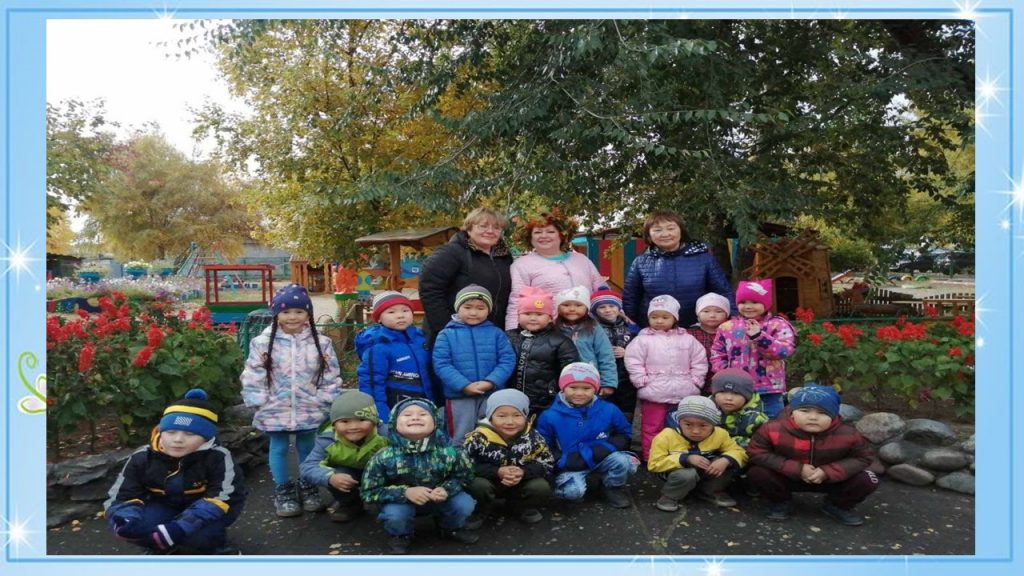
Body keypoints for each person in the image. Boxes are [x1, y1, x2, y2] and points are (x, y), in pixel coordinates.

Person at [241, 283, 342, 517]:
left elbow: (330, 374)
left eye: (299, 311)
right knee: (278, 447)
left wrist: (325, 398)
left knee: (307, 446)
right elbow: (253, 373)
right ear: (276, 313)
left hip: (309, 405)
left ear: (308, 314)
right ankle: (283, 489)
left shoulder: (321, 343)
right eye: (286, 311)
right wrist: (258, 399)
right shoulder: (262, 343)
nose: (293, 317)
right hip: (274, 406)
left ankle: (308, 484)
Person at [104, 389, 246, 555]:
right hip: (163, 504)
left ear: (206, 438)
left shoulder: (218, 457)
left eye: (190, 433)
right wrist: (124, 519)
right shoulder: (142, 457)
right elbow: (122, 495)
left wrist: (179, 527)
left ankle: (218, 549)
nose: (178, 439)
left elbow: (221, 498)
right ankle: (160, 546)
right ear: (160, 431)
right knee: (138, 526)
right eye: (171, 432)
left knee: (201, 536)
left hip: (207, 508)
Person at [746, 384, 879, 526]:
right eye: (804, 411)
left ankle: (837, 505)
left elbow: (864, 457)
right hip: (788, 476)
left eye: (822, 412)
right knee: (757, 472)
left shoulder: (848, 434)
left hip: (830, 479)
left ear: (833, 415)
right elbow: (756, 452)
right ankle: (781, 502)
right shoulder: (772, 429)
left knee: (869, 479)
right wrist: (797, 469)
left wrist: (828, 472)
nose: (813, 417)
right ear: (792, 411)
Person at [361, 398, 479, 555]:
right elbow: (369, 492)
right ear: (394, 423)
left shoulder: (451, 452)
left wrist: (446, 489)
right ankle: (401, 535)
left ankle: (450, 528)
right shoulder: (383, 457)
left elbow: (465, 477)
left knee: (464, 504)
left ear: (435, 422)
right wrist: (405, 493)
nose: (415, 418)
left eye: (423, 414)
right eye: (407, 415)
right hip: (401, 502)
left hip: (440, 499)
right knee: (395, 514)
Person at [536, 363, 638, 509]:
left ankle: (611, 487)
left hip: (600, 456)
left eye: (586, 388)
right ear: (563, 388)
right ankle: (562, 484)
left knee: (624, 462)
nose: (579, 393)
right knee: (573, 492)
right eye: (573, 387)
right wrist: (561, 461)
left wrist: (603, 448)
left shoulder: (609, 409)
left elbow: (625, 433)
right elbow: (543, 445)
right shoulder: (549, 415)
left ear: (595, 389)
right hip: (571, 463)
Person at [624, 294, 708, 461]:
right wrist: (641, 380)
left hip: (684, 391)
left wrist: (696, 380)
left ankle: (678, 457)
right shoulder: (642, 340)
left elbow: (699, 360)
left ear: (675, 318)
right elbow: (633, 361)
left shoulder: (688, 339)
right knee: (652, 426)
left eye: (665, 317)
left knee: (679, 426)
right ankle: (652, 457)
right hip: (653, 391)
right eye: (654, 317)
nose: (659, 321)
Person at [419, 207, 514, 351]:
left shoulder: (504, 257)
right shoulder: (450, 253)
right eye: (483, 226)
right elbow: (430, 291)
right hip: (455, 334)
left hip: (490, 334)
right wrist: (448, 328)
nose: (490, 231)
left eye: (496, 227)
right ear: (469, 228)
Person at [623, 210, 735, 330]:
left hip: (697, 328)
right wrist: (631, 326)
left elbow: (723, 292)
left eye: (670, 228)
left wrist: (734, 319)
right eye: (658, 230)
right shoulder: (641, 262)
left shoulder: (704, 259)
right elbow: (630, 298)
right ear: (649, 235)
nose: (665, 234)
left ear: (681, 231)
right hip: (655, 330)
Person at [432, 284, 516, 442]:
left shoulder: (496, 333)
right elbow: (442, 364)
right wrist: (463, 385)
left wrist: (490, 382)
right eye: (467, 307)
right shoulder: (446, 334)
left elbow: (507, 360)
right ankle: (459, 457)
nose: (473, 312)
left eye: (480, 308)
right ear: (458, 307)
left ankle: (488, 458)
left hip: (491, 395)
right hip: (458, 396)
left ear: (488, 310)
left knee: (491, 434)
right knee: (460, 435)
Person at [462, 389, 554, 525]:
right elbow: (464, 466)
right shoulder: (477, 437)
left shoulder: (534, 437)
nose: (510, 422)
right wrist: (497, 472)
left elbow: (547, 463)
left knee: (541, 487)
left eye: (517, 415)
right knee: (476, 484)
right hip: (490, 482)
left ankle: (520, 506)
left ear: (526, 416)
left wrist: (523, 472)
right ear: (490, 416)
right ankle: (482, 508)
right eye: (501, 416)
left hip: (521, 482)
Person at [504, 209, 606, 329]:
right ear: (530, 237)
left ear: (562, 235)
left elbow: (602, 290)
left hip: (588, 329)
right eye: (537, 232)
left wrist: (618, 313)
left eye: (550, 231)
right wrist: (512, 333)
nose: (544, 236)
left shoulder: (582, 259)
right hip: (549, 331)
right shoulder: (522, 265)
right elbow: (517, 301)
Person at [710, 279, 797, 419]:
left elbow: (784, 351)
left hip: (768, 388)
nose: (748, 306)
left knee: (772, 422)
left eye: (755, 302)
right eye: (743, 302)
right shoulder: (727, 327)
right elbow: (717, 353)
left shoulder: (777, 325)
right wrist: (724, 373)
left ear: (766, 303)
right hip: (736, 388)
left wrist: (760, 337)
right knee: (737, 421)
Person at [299, 391, 388, 523]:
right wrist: (330, 478)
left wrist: (391, 454)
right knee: (336, 474)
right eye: (345, 421)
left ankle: (389, 503)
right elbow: (308, 467)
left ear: (374, 421)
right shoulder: (327, 439)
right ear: (334, 424)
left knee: (396, 470)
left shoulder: (386, 434)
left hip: (381, 472)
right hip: (349, 473)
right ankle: (350, 504)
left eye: (362, 420)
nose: (353, 427)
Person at [648, 395, 747, 511]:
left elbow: (740, 452)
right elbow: (654, 464)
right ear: (679, 421)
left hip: (706, 470)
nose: (695, 431)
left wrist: (726, 460)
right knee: (686, 474)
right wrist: (685, 459)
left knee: (727, 464)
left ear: (713, 424)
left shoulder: (720, 434)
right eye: (688, 425)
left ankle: (709, 491)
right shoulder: (666, 436)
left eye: (703, 425)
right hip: (676, 473)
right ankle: (670, 496)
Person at [356, 290, 435, 427]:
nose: (400, 315)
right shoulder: (379, 346)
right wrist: (383, 417)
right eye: (391, 312)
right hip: (394, 406)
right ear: (379, 318)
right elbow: (372, 383)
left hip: (425, 404)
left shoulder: (421, 339)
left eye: (405, 310)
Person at [505, 285, 580, 416]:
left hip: (546, 403)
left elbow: (570, 371)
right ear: (518, 315)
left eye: (539, 314)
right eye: (527, 314)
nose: (533, 318)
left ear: (550, 318)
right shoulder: (507, 337)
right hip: (510, 400)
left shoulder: (561, 341)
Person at [554, 285, 618, 396]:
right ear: (558, 308)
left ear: (586, 308)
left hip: (589, 379)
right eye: (566, 305)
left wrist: (608, 383)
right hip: (560, 379)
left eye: (578, 305)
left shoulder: (594, 328)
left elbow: (606, 355)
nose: (572, 309)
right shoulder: (553, 328)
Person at [590, 288, 640, 421]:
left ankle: (625, 430)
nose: (607, 310)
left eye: (611, 306)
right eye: (602, 307)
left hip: (627, 378)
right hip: (604, 377)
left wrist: (627, 352)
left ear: (619, 308)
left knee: (626, 410)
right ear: (594, 310)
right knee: (604, 409)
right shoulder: (593, 328)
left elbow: (642, 347)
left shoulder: (630, 327)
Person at [709, 368, 769, 449]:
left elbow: (764, 444)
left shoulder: (756, 419)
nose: (729, 398)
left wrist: (734, 443)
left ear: (747, 397)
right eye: (722, 392)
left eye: (736, 393)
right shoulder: (706, 411)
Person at [687, 292, 732, 395]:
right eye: (706, 311)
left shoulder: (732, 333)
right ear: (698, 315)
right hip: (695, 383)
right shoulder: (688, 335)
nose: (712, 315)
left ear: (727, 315)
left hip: (725, 383)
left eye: (719, 311)